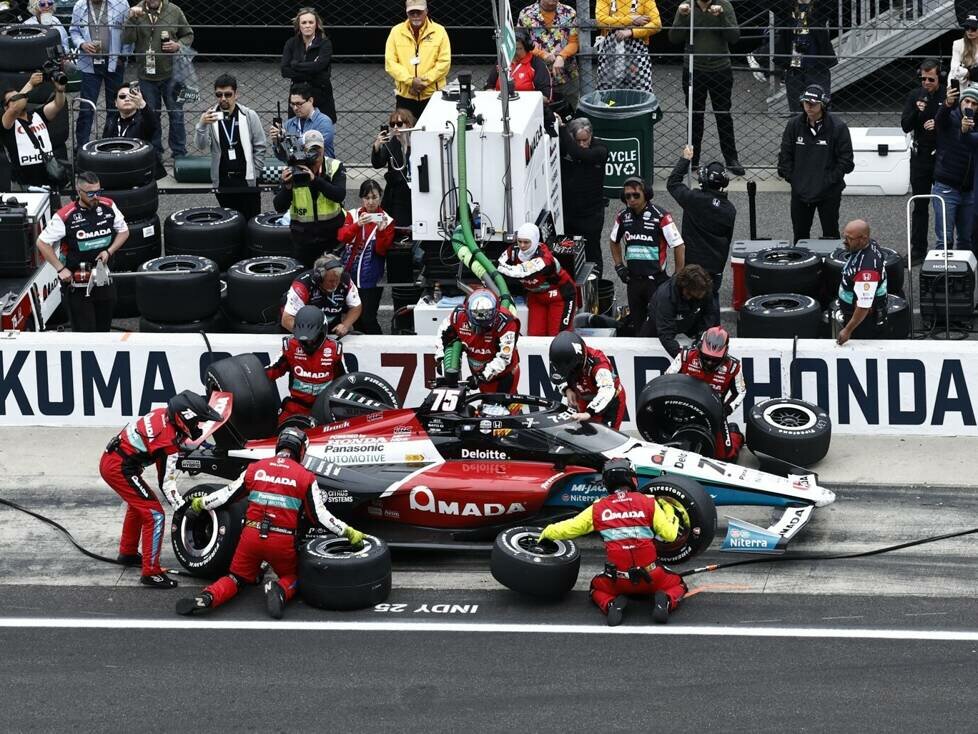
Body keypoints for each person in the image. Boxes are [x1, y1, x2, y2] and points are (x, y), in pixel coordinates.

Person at [175, 427, 365, 619]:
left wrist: (199, 504)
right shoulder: (305, 477)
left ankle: (208, 596)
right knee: (293, 576)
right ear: (301, 450)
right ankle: (280, 590)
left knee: (235, 577)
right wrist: (348, 532)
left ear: (279, 445)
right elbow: (319, 516)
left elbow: (226, 496)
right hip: (282, 542)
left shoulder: (255, 468)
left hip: (251, 537)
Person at [537, 458, 687, 625]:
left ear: (606, 482)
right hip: (652, 577)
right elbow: (670, 535)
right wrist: (669, 509)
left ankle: (610, 604)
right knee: (679, 584)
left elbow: (569, 528)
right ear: (631, 478)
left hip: (619, 581)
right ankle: (666, 601)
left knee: (595, 587)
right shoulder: (649, 501)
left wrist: (546, 532)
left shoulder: (597, 508)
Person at [100, 390, 220, 589]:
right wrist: (184, 509)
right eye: (197, 422)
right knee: (155, 515)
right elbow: (166, 483)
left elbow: (163, 450)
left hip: (116, 461)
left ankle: (128, 553)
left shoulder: (164, 414)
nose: (198, 426)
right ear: (184, 418)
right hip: (119, 468)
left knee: (139, 506)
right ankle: (151, 572)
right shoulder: (168, 439)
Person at [35, 171, 129, 332]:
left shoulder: (108, 205)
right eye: (90, 193)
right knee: (85, 332)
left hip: (103, 276)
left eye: (98, 192)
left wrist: (109, 251)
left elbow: (124, 231)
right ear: (79, 192)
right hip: (77, 283)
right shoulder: (65, 215)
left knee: (104, 329)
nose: (96, 197)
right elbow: (42, 243)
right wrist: (60, 269)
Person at [668, 0, 744, 175]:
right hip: (694, 69)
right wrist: (682, 17)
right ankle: (692, 160)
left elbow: (734, 37)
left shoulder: (724, 5)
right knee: (694, 116)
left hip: (720, 69)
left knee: (723, 115)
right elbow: (674, 38)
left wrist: (722, 16)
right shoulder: (686, 6)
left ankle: (731, 159)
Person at [777, 84, 854, 244]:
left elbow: (846, 161)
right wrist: (795, 180)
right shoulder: (793, 125)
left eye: (813, 103)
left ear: (823, 104)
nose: (809, 107)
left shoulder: (838, 127)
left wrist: (828, 181)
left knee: (831, 235)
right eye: (806, 103)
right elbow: (784, 157)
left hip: (828, 192)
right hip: (800, 191)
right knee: (800, 235)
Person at [609, 176, 685, 335]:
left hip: (656, 282)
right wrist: (619, 266)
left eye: (636, 195)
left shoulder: (661, 216)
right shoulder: (622, 216)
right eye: (628, 196)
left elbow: (679, 245)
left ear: (646, 194)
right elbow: (613, 241)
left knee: (658, 326)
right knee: (638, 326)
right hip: (633, 281)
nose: (631, 199)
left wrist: (678, 276)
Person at [122, 0, 194, 161]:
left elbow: (188, 34)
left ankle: (179, 152)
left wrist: (178, 45)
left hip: (172, 74)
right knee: (151, 115)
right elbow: (126, 39)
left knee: (176, 115)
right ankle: (154, 152)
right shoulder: (136, 11)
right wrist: (131, 20)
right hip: (146, 76)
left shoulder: (174, 10)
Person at [666, 145, 736, 308]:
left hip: (692, 268)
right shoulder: (730, 210)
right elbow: (727, 238)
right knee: (711, 304)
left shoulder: (693, 199)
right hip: (715, 269)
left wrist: (685, 159)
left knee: (688, 304)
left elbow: (673, 183)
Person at [665, 325, 745, 461]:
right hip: (682, 410)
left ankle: (734, 433)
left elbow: (740, 392)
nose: (709, 362)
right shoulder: (685, 356)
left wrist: (725, 410)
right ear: (699, 348)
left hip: (713, 414)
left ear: (725, 353)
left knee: (727, 458)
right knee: (667, 450)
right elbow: (667, 380)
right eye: (706, 357)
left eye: (715, 359)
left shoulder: (733, 367)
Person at [194, 74, 265, 221]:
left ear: (236, 94)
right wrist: (202, 125)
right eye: (219, 95)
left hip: (246, 179)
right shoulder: (210, 117)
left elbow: (260, 145)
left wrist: (256, 172)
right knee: (229, 223)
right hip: (223, 179)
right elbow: (201, 146)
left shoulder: (249, 115)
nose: (223, 99)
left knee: (251, 221)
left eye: (228, 94)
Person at [272, 129, 347, 267]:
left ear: (324, 149)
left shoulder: (334, 166)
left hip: (331, 236)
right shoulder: (294, 168)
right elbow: (279, 206)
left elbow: (339, 195)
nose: (315, 153)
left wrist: (315, 180)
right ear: (304, 150)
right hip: (303, 239)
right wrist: (287, 187)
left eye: (318, 149)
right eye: (311, 149)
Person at [266, 305, 345, 423]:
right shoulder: (290, 346)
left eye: (312, 338)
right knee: (277, 430)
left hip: (325, 408)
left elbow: (345, 380)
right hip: (296, 407)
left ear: (321, 331)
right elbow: (271, 371)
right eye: (304, 339)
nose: (308, 342)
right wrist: (251, 381)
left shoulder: (335, 349)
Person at [435, 288, 520, 394]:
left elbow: (504, 358)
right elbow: (442, 335)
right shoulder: (458, 316)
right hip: (478, 370)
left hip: (504, 375)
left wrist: (481, 377)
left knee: (502, 403)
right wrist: (441, 358)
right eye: (475, 325)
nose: (479, 330)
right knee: (485, 401)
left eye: (485, 326)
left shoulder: (506, 323)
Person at [497, 222, 576, 336]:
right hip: (536, 297)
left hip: (560, 296)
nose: (522, 245)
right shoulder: (513, 250)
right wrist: (503, 268)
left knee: (557, 337)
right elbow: (499, 264)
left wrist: (505, 268)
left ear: (534, 241)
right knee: (535, 336)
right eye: (519, 241)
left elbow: (521, 272)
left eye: (526, 242)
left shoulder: (545, 258)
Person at [900, 58, 944, 263]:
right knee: (920, 204)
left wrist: (938, 123)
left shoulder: (947, 96)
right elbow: (905, 126)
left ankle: (946, 247)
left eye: (931, 79)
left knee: (946, 203)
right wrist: (918, 110)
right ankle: (918, 249)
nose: (926, 83)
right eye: (923, 79)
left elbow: (957, 124)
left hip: (943, 155)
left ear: (939, 77)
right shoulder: (915, 95)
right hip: (920, 156)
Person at [69, 0, 129, 147]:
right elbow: (74, 31)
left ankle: (110, 143)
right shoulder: (80, 5)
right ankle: (82, 146)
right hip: (89, 62)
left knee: (114, 106)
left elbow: (129, 32)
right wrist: (82, 44)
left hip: (114, 60)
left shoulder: (121, 3)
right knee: (86, 106)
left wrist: (123, 56)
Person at [337, 179, 394, 335]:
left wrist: (381, 231)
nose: (370, 202)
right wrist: (357, 225)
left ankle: (380, 346)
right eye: (366, 197)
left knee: (368, 318)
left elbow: (382, 251)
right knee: (356, 319)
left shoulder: (387, 220)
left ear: (380, 197)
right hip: (350, 277)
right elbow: (342, 237)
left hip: (371, 279)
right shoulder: (353, 215)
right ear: (362, 198)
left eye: (374, 197)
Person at [384, 0, 451, 120]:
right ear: (406, 13)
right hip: (406, 96)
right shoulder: (396, 32)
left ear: (426, 11)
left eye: (419, 12)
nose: (415, 16)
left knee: (433, 130)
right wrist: (411, 81)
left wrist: (422, 82)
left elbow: (444, 63)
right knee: (404, 130)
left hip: (433, 95)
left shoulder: (440, 31)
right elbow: (390, 62)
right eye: (412, 12)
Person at [559, 117, 608, 275]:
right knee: (567, 252)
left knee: (592, 252)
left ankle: (596, 284)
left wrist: (562, 128)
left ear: (591, 135)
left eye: (585, 140)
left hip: (591, 214)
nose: (581, 144)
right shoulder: (567, 146)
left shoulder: (600, 149)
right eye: (577, 140)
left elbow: (580, 154)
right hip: (569, 212)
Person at [548, 330, 626, 429]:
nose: (570, 372)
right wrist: (567, 389)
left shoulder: (598, 363)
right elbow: (557, 377)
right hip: (583, 398)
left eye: (571, 369)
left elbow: (607, 390)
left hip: (610, 400)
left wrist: (589, 413)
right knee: (580, 432)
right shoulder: (560, 360)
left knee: (606, 434)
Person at [1, 72, 67, 188]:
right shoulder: (7, 122)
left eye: (20, 96)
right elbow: (15, 109)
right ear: (6, 107)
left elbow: (58, 105)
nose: (20, 100)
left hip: (48, 177)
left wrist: (60, 91)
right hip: (24, 183)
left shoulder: (37, 114)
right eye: (13, 99)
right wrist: (30, 84)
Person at [931, 83, 975, 249]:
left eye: (974, 103)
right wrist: (947, 103)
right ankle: (943, 267)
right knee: (944, 239)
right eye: (967, 101)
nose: (969, 106)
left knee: (966, 239)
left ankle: (965, 267)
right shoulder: (951, 116)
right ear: (961, 101)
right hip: (946, 186)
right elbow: (939, 120)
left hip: (969, 189)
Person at [517, 0, 580, 112]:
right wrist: (542, 54)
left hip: (566, 74)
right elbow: (521, 44)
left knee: (570, 112)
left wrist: (561, 56)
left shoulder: (569, 12)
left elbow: (574, 42)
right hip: (536, 76)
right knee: (537, 114)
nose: (552, 1)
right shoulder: (526, 14)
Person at [772, 0, 836, 110]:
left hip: (817, 67)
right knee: (796, 109)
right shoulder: (787, 9)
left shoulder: (819, 8)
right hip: (794, 68)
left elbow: (829, 5)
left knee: (820, 108)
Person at [644, 263, 719, 356]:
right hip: (657, 326)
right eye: (696, 296)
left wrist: (701, 338)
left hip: (688, 323)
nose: (700, 298)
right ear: (686, 289)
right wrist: (684, 358)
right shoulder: (666, 297)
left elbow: (710, 314)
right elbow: (665, 334)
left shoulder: (703, 289)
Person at [835, 219, 888, 344]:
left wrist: (848, 330)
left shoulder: (867, 271)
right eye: (845, 236)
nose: (844, 241)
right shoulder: (870, 243)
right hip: (855, 307)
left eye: (849, 239)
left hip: (862, 319)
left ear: (863, 239)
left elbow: (863, 306)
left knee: (861, 347)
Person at [280, 7, 336, 123]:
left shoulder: (325, 44)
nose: (307, 25)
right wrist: (313, 71)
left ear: (316, 25)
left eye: (311, 22)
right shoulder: (291, 43)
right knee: (297, 130)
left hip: (321, 96)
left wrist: (296, 65)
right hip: (298, 96)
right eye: (304, 22)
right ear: (299, 25)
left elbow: (320, 66)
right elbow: (285, 70)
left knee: (322, 129)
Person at [281, 255, 362, 335]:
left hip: (331, 326)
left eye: (337, 280)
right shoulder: (302, 285)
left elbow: (356, 306)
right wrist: (308, 336)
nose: (335, 284)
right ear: (319, 278)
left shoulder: (345, 279)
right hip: (301, 329)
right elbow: (287, 320)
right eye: (331, 281)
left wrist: (345, 325)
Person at [594, 0, 661, 92]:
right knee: (607, 90)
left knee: (641, 90)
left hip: (637, 52)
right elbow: (600, 21)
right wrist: (631, 20)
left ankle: (637, 101)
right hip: (611, 51)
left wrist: (631, 32)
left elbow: (657, 24)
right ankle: (610, 101)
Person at [370, 108, 415, 229]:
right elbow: (378, 164)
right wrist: (377, 147)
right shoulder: (392, 143)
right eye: (392, 124)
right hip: (395, 191)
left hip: (412, 190)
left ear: (408, 125)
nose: (395, 127)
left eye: (399, 124)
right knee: (394, 224)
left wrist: (407, 145)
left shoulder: (416, 142)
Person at [270, 83, 335, 161]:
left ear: (310, 100)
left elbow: (312, 150)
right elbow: (282, 157)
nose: (295, 108)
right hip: (295, 167)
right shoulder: (289, 124)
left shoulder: (324, 122)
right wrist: (277, 142)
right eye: (292, 104)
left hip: (320, 167)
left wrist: (286, 140)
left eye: (299, 104)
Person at [485, 29, 552, 100]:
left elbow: (546, 97)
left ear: (527, 48)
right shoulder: (503, 61)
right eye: (511, 48)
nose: (514, 52)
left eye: (518, 48)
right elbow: (489, 87)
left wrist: (519, 98)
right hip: (501, 102)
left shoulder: (536, 64)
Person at [102, 82, 157, 146]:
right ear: (116, 103)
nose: (127, 99)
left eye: (131, 96)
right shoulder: (111, 122)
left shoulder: (143, 121)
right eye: (122, 96)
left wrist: (142, 103)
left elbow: (152, 124)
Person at [949, 14, 978, 88]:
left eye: (973, 28)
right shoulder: (958, 44)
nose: (969, 31)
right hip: (963, 86)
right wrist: (970, 72)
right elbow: (955, 70)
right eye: (967, 28)